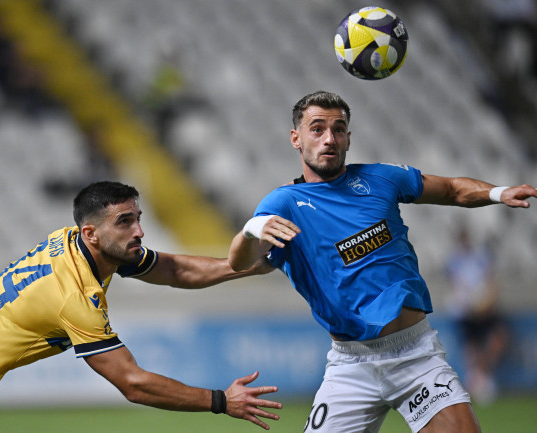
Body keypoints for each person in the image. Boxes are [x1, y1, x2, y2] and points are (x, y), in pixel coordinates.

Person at [228, 90, 537, 433]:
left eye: (338, 129)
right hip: (351, 365)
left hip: (415, 355)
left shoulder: (382, 178)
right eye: (317, 129)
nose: (329, 138)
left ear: (348, 138)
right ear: (296, 138)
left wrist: (498, 193)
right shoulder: (283, 203)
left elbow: (451, 189)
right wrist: (252, 229)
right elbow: (239, 261)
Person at [0, 181, 282, 433]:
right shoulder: (73, 296)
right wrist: (220, 401)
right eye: (125, 222)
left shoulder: (72, 243)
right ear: (91, 233)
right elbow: (133, 383)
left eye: (138, 219)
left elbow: (173, 269)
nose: (139, 231)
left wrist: (247, 266)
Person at [444, 226, 508, 404]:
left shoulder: (479, 258)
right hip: (466, 311)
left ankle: (482, 376)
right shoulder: (454, 260)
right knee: (473, 347)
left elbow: (490, 281)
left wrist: (487, 301)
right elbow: (456, 286)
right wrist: (470, 304)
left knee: (497, 339)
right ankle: (478, 379)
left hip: (484, 308)